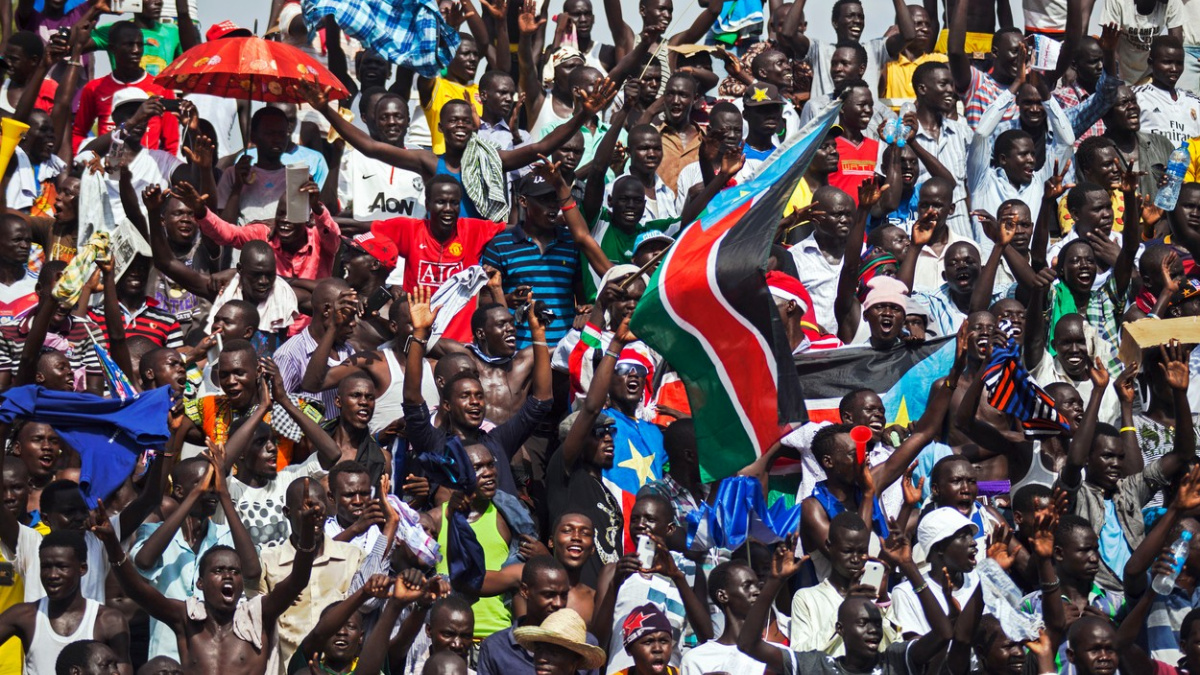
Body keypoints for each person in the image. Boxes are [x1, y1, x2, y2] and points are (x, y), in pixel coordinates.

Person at [96, 478, 322, 675]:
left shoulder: (258, 615)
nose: (228, 576)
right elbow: (137, 591)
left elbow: (297, 581)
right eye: (219, 571)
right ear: (200, 583)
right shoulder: (185, 618)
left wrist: (307, 534)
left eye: (235, 571)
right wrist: (112, 544)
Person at [128, 455, 262, 663]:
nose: (211, 491)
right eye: (204, 484)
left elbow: (253, 571)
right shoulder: (155, 533)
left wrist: (224, 496)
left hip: (214, 658)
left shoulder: (225, 535)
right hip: (167, 656)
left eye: (214, 485)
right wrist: (194, 497)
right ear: (179, 491)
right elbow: (143, 562)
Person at [0, 531, 131, 675]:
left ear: (82, 568)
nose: (53, 575)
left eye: (62, 567)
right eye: (46, 567)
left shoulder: (109, 621)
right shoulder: (23, 615)